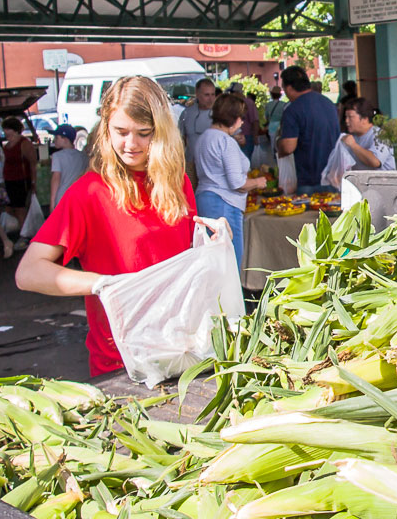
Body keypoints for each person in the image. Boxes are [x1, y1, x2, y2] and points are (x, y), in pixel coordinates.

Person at [16, 76, 207, 380]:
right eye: (121, 132)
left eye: (144, 133)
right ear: (105, 129)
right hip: (121, 363)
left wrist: (211, 247)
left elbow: (183, 265)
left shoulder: (177, 182)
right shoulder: (88, 193)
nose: (131, 145)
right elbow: (28, 273)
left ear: (161, 132)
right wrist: (102, 284)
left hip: (183, 350)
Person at [193, 94, 263, 274]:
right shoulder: (225, 141)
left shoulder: (204, 137)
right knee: (230, 262)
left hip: (204, 199)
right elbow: (237, 183)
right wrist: (258, 182)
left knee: (213, 261)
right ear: (235, 119)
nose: (242, 123)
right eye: (241, 119)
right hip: (225, 203)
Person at [275, 66, 341, 194]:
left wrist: (278, 143)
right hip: (333, 176)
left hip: (309, 180)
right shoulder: (329, 104)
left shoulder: (293, 110)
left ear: (288, 88)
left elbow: (288, 147)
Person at [322, 101, 397, 188]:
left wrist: (353, 145)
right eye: (346, 117)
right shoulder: (350, 138)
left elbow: (375, 162)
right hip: (362, 189)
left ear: (365, 119)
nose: (346, 121)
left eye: (350, 117)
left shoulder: (380, 135)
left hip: (383, 189)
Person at [179, 79, 219, 166]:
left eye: (213, 94)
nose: (211, 99)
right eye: (206, 95)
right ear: (197, 94)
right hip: (192, 164)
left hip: (214, 166)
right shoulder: (187, 113)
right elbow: (181, 140)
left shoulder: (221, 114)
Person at [49, 126, 88, 207]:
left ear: (66, 139)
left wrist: (52, 201)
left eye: (56, 137)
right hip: (80, 197)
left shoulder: (57, 156)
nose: (54, 140)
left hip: (62, 197)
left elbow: (56, 178)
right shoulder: (83, 156)